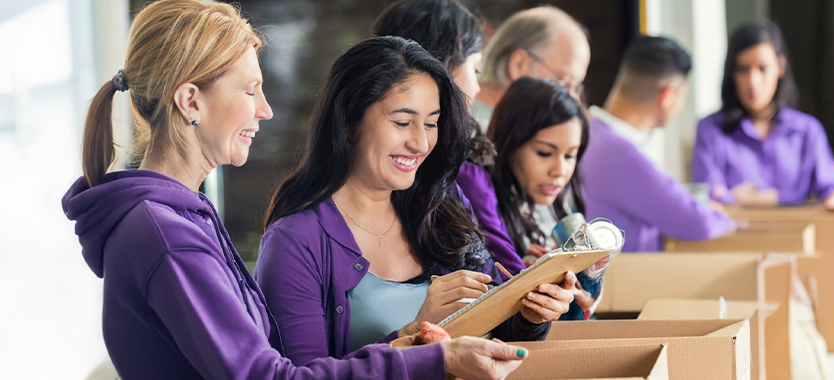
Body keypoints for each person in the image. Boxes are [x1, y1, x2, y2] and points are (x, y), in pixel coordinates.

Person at [62, 2, 527, 379]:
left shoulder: (183, 218)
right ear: (190, 101)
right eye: (250, 90)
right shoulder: (165, 236)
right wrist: (435, 358)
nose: (264, 110)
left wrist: (416, 342)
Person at [256, 36, 575, 365]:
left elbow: (499, 330)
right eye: (402, 123)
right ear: (349, 122)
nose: (421, 143)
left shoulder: (441, 206)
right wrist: (418, 332)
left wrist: (531, 314)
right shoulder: (294, 242)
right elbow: (301, 375)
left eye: (431, 123)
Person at [372, 0, 525, 275]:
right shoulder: (455, 172)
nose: (477, 87)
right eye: (475, 69)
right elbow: (509, 276)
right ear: (443, 67)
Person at [692, 21, 834, 241]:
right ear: (731, 73)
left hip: (795, 243)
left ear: (780, 66)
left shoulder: (807, 130)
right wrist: (781, 199)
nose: (753, 81)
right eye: (743, 69)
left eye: (762, 68)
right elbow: (709, 198)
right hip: (734, 245)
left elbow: (830, 187)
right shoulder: (711, 130)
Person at [579, 35, 737, 253]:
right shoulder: (619, 153)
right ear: (668, 95)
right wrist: (721, 215)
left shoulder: (591, 134)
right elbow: (697, 222)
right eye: (682, 96)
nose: (681, 107)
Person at [483, 77, 599, 319]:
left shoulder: (560, 199)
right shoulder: (482, 203)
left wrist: (584, 293)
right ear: (510, 143)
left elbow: (588, 302)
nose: (559, 171)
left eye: (570, 155)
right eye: (545, 153)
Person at [473, 6, 591, 131]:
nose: (572, 98)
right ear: (520, 65)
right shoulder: (473, 136)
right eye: (565, 82)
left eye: (576, 88)